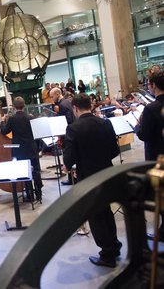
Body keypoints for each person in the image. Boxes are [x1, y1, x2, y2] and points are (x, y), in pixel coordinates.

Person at [63, 93, 121, 268]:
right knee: (106, 211)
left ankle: (107, 254)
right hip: (107, 173)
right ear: (91, 105)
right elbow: (114, 151)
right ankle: (114, 246)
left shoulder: (74, 128)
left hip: (88, 177)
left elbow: (68, 160)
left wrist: (72, 166)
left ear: (75, 108)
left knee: (95, 215)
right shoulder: (105, 123)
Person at [136, 71, 164, 241]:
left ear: (153, 85)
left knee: (160, 195)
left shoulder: (151, 108)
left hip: (158, 158)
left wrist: (137, 127)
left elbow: (144, 135)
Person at [0, 97, 44, 201]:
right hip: (32, 148)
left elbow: (5, 131)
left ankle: (30, 195)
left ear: (14, 107)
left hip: (20, 151)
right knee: (36, 171)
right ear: (24, 106)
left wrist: (2, 122)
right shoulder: (30, 117)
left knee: (26, 172)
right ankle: (39, 193)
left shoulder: (12, 119)